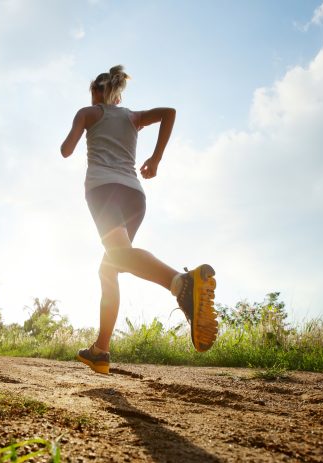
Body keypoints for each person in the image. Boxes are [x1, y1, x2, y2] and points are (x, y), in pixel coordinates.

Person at [60, 65, 218, 375]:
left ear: (97, 93)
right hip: (134, 195)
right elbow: (169, 113)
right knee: (110, 267)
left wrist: (81, 125)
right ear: (117, 96)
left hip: (103, 190)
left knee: (117, 257)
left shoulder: (88, 113)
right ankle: (100, 350)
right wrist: (155, 159)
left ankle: (182, 283)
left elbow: (66, 150)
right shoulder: (132, 117)